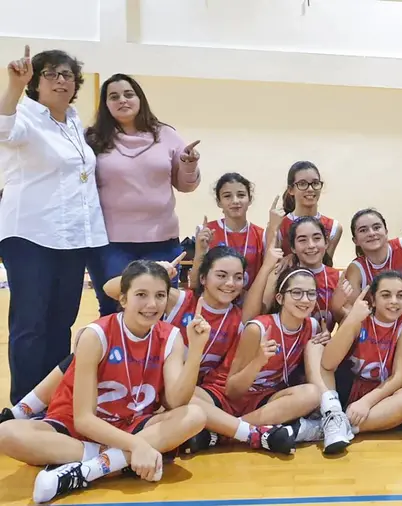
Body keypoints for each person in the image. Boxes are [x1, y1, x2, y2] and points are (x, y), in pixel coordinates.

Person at [0, 261, 208, 503]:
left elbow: (176, 401)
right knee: (6, 433)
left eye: (160, 295)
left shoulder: (171, 335)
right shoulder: (95, 335)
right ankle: (122, 461)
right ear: (123, 299)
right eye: (141, 295)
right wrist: (137, 447)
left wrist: (195, 351)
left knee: (195, 415)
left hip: (132, 423)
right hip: (80, 429)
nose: (152, 304)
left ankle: (89, 470)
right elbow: (84, 420)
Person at [0, 46, 108, 406]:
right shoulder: (26, 116)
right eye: (51, 74)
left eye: (67, 75)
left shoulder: (75, 122)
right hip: (31, 236)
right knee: (31, 325)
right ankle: (21, 408)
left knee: (62, 322)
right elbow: (3, 129)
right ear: (36, 81)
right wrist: (14, 87)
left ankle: (51, 403)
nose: (61, 80)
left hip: (73, 238)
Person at [84, 73, 201, 316]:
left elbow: (186, 185)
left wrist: (189, 165)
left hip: (162, 240)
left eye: (129, 94)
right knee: (114, 307)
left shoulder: (166, 134)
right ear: (105, 104)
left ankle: (159, 354)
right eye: (114, 96)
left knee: (158, 309)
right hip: (110, 243)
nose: (122, 100)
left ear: (140, 98)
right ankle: (113, 354)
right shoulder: (93, 139)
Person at [186, 264, 327, 456]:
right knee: (183, 398)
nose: (305, 300)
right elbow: (232, 390)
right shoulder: (258, 328)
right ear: (280, 298)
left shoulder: (312, 326)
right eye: (296, 293)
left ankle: (223, 433)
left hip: (263, 399)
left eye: (311, 294)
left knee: (312, 394)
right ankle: (253, 432)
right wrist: (258, 361)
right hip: (222, 395)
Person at [318, 271, 402, 453]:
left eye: (401, 296)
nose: (394, 301)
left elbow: (399, 377)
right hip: (348, 389)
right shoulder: (360, 318)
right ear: (373, 300)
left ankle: (338, 428)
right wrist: (352, 318)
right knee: (315, 348)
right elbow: (328, 363)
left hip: (381, 396)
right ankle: (335, 418)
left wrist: (366, 403)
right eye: (386, 295)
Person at [192, 173, 265, 292]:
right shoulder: (206, 232)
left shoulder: (262, 235)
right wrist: (200, 252)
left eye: (241, 195)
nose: (235, 201)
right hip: (215, 303)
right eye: (227, 196)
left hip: (249, 304)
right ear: (219, 202)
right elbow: (194, 283)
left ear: (249, 199)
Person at [274, 161, 341, 262]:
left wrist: (293, 258)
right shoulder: (279, 226)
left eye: (315, 183)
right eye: (302, 184)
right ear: (291, 190)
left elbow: (325, 265)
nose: (310, 189)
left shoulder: (334, 227)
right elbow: (273, 267)